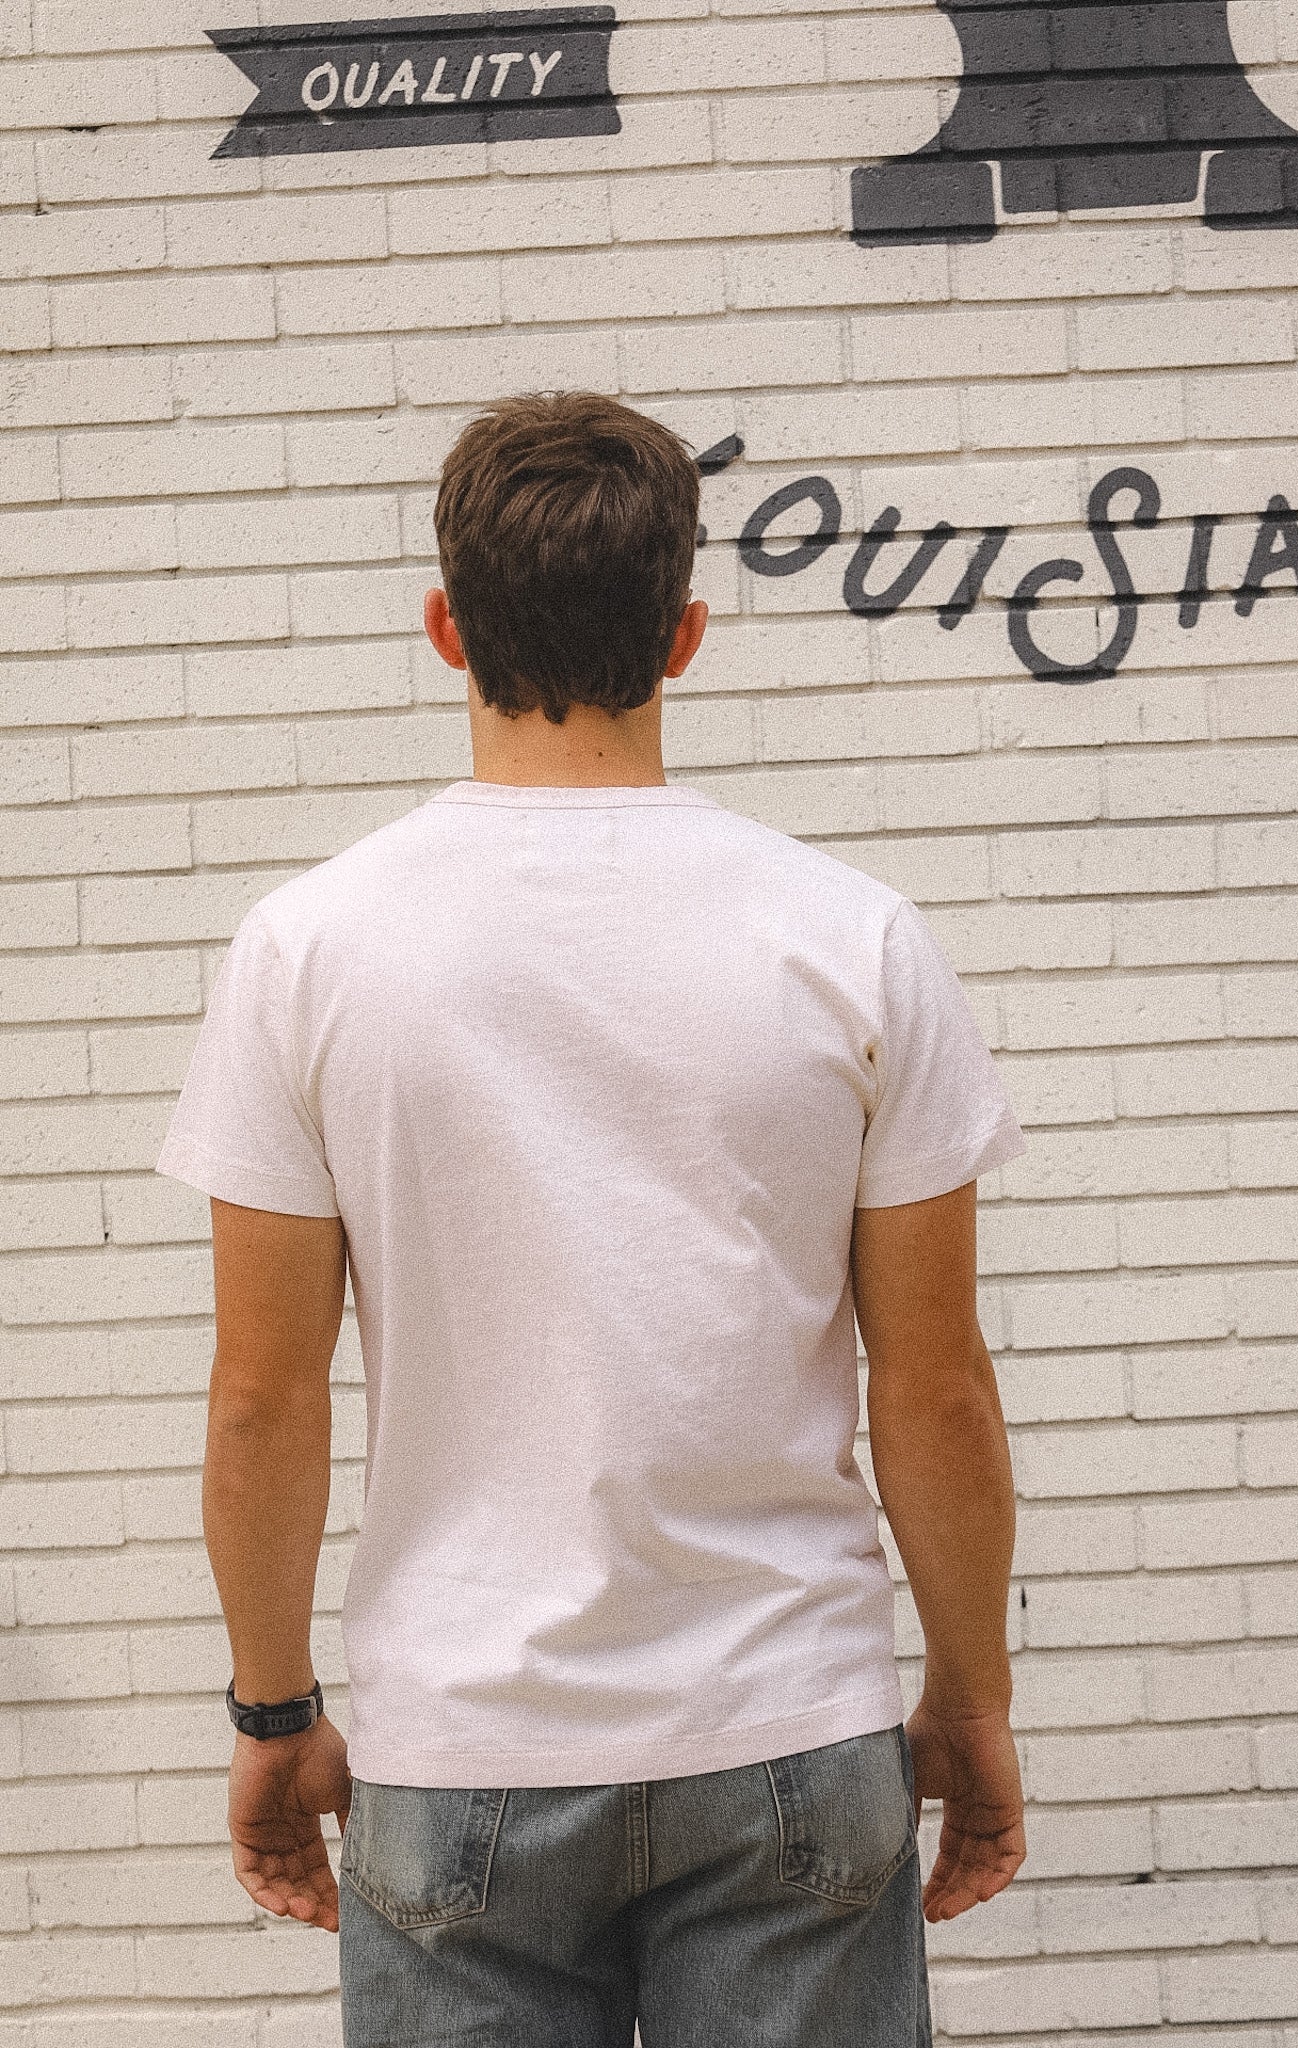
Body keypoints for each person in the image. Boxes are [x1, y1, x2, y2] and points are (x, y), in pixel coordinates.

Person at [155, 389, 1029, 2047]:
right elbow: (934, 1389)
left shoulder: (309, 951)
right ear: (685, 632)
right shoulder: (851, 939)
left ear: (443, 628)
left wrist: (273, 1708)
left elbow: (261, 1394)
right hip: (788, 1722)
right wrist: (970, 1696)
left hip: (461, 1743)